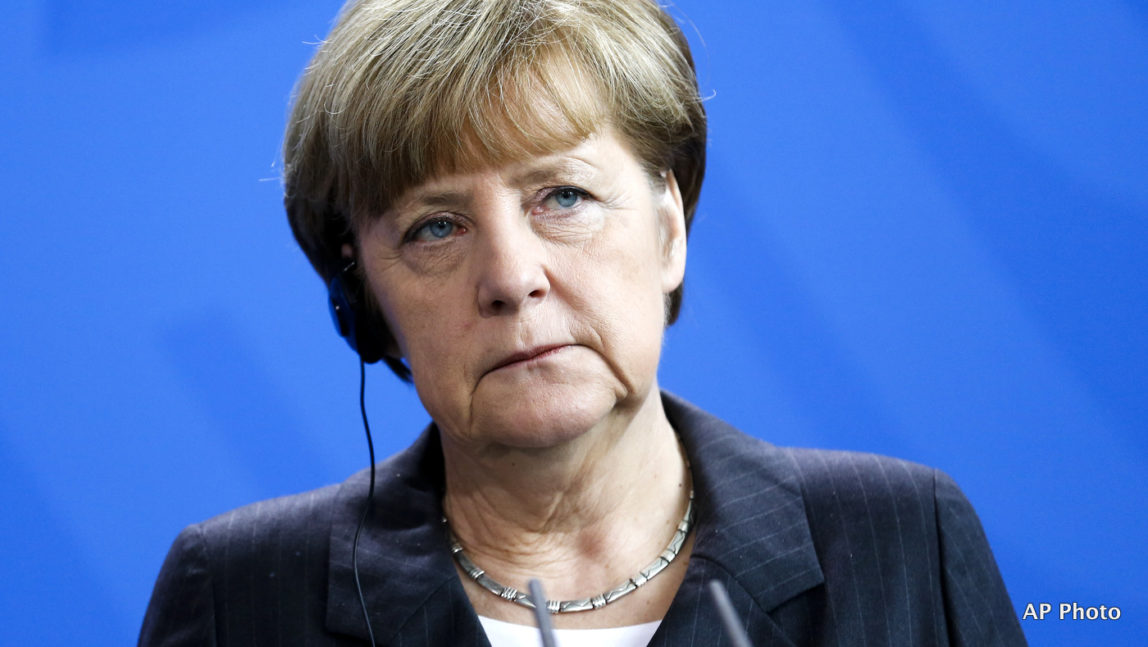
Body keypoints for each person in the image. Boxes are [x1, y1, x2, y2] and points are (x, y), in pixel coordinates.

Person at [139, 0, 1026, 645]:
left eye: (563, 195)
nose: (512, 278)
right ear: (363, 298)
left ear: (669, 231)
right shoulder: (240, 597)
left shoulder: (906, 540)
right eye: (435, 226)